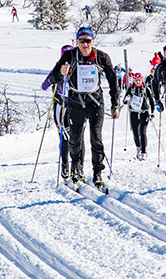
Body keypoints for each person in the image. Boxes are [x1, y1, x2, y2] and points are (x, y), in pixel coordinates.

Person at [46, 27, 119, 188]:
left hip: (96, 102)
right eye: (81, 41)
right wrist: (61, 73)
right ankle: (76, 169)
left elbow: (113, 80)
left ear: (93, 41)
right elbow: (52, 78)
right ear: (76, 42)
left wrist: (115, 104)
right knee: (75, 138)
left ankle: (97, 173)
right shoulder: (69, 56)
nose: (85, 44)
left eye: (88, 41)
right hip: (76, 102)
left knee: (96, 138)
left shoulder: (102, 57)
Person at [41, 45, 73, 177]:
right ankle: (65, 166)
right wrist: (54, 78)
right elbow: (44, 86)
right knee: (64, 138)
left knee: (76, 138)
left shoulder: (78, 69)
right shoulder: (57, 68)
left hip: (75, 107)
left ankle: (77, 167)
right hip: (60, 107)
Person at [124, 72, 155, 160]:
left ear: (142, 80)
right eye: (136, 80)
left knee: (142, 132)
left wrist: (152, 113)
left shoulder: (146, 88)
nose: (137, 82)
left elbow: (152, 102)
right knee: (135, 132)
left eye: (139, 80)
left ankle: (144, 151)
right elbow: (124, 100)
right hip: (133, 112)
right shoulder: (131, 88)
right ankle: (138, 149)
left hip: (144, 112)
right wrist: (126, 99)